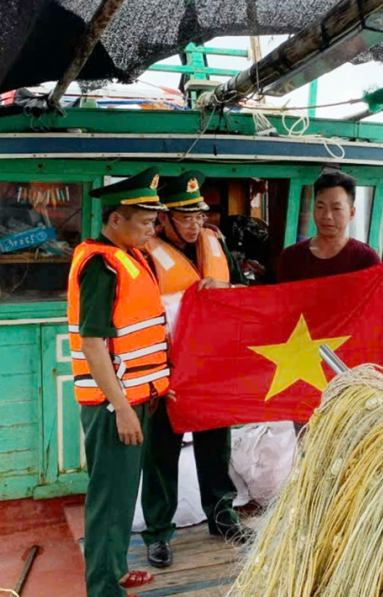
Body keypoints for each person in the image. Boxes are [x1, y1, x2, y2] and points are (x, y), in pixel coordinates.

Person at [139, 171, 252, 572]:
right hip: (167, 373)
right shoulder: (144, 256)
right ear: (162, 218)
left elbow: (246, 299)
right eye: (184, 217)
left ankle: (222, 516)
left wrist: (225, 291)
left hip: (212, 369)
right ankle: (158, 533)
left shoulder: (215, 244)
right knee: (161, 454)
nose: (194, 225)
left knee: (214, 447)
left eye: (198, 216)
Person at [66, 167, 169, 597]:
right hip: (114, 406)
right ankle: (104, 588)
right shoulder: (100, 266)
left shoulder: (131, 256)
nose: (151, 228)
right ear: (114, 221)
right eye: (143, 221)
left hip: (137, 397)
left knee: (124, 495)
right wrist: (123, 408)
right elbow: (93, 345)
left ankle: (115, 569)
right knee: (109, 500)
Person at [275, 169, 381, 283]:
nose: (327, 216)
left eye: (336, 208)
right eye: (320, 207)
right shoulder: (291, 257)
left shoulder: (366, 260)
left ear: (352, 213)